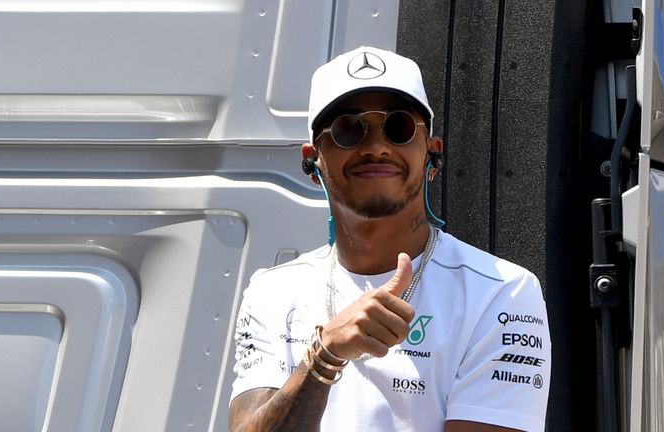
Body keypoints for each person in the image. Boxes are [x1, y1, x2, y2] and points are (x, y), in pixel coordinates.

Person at [228, 46, 551, 432]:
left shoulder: (502, 292)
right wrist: (323, 357)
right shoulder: (271, 292)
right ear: (313, 161)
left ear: (432, 155)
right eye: (349, 129)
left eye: (398, 127)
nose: (377, 147)